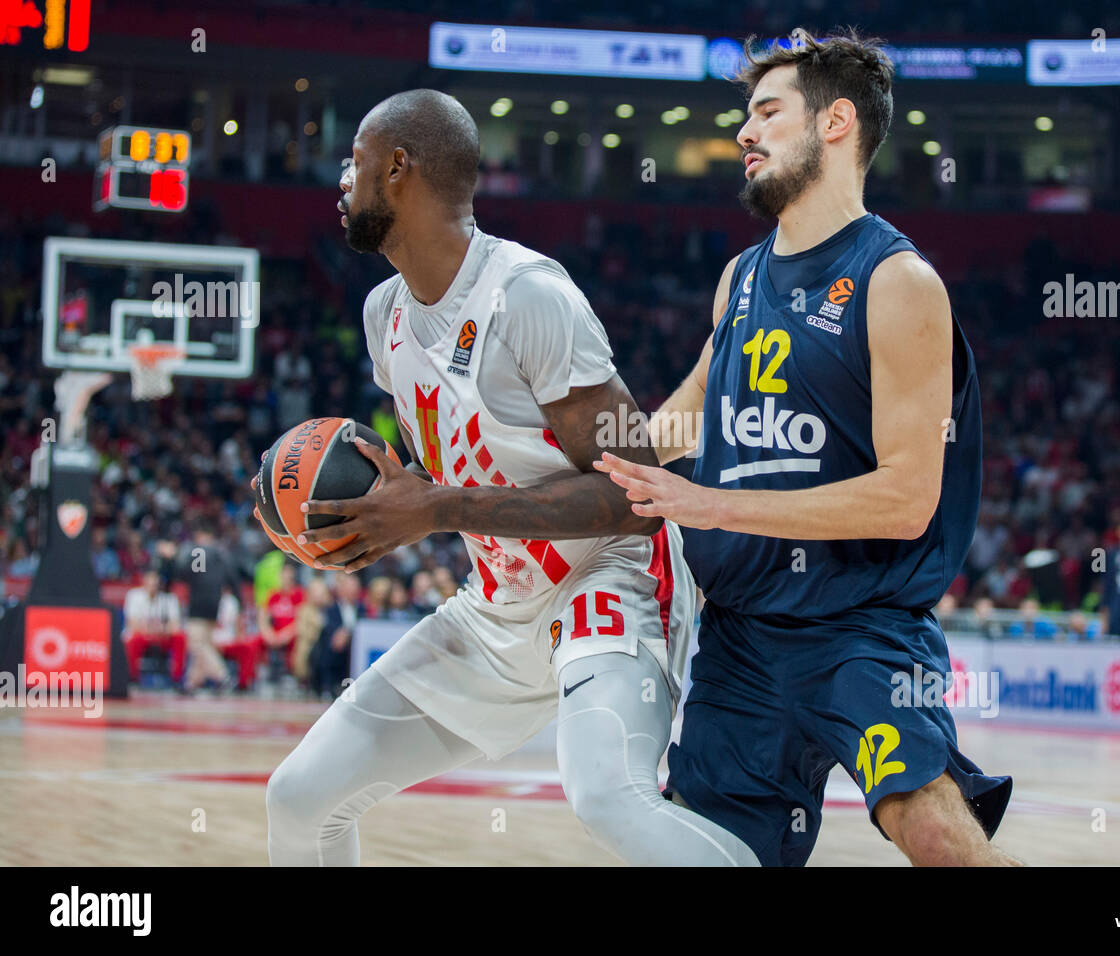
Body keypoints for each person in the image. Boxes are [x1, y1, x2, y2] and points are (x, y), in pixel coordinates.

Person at [262, 89, 758, 867]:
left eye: (353, 161)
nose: (339, 180)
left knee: (606, 796)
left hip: (608, 582)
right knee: (298, 797)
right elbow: (442, 471)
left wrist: (438, 507)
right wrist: (380, 512)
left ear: (398, 169)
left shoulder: (528, 296)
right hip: (497, 606)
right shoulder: (381, 315)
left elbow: (638, 497)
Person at [595, 30, 1015, 866]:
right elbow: (675, 428)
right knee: (712, 855)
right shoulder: (741, 278)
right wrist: (538, 456)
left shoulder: (899, 282)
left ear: (836, 122)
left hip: (861, 627)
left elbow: (905, 500)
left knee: (934, 835)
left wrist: (713, 504)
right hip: (742, 640)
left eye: (766, 112)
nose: (744, 132)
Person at [160, 525, 243, 692]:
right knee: (204, 643)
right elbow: (233, 579)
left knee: (197, 644)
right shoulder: (221, 554)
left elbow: (183, 573)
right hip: (215, 605)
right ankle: (191, 682)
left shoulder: (199, 552)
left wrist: (172, 556)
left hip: (199, 604)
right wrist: (239, 602)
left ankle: (223, 676)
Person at [122, 568, 185, 687]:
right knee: (133, 639)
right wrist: (158, 629)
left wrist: (157, 630)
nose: (153, 583)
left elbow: (175, 626)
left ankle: (177, 679)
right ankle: (133, 678)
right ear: (144, 580)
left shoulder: (169, 598)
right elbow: (134, 626)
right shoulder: (134, 595)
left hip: (162, 638)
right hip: (142, 637)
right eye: (150, 579)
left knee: (180, 637)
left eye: (155, 580)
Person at [311, 574, 363, 698]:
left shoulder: (362, 609)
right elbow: (329, 628)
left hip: (356, 645)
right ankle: (328, 686)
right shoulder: (331, 609)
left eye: (355, 587)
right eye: (350, 587)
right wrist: (340, 634)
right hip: (334, 646)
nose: (353, 590)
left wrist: (348, 634)